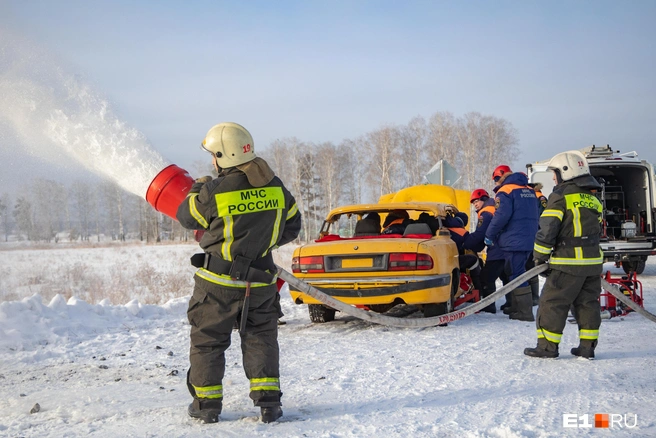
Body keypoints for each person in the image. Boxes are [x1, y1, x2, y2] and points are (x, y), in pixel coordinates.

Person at [176, 122, 302, 423]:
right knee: (261, 339)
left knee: (208, 340)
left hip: (217, 284)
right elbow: (293, 226)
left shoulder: (215, 190)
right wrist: (260, 243)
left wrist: (196, 189)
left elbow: (185, 216)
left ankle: (206, 407)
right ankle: (269, 404)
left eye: (214, 155)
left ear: (224, 154)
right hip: (260, 283)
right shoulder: (276, 186)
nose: (212, 161)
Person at [524, 150, 603, 359]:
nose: (553, 177)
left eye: (555, 173)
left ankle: (547, 348)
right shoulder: (592, 198)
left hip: (567, 263)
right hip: (593, 263)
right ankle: (587, 347)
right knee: (588, 303)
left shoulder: (560, 196)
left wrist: (540, 256)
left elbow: (548, 228)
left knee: (552, 302)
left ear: (566, 172)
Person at [485, 165, 539, 321]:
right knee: (518, 272)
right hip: (528, 239)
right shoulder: (528, 190)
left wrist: (489, 234)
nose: (496, 183)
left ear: (501, 176)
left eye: (496, 179)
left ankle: (524, 312)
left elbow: (501, 216)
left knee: (516, 274)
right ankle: (516, 307)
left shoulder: (506, 191)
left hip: (514, 240)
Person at [463, 188, 500, 314]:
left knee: (486, 277)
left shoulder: (486, 212)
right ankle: (512, 304)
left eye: (477, 201)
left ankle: (489, 306)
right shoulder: (493, 208)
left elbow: (480, 234)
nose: (475, 204)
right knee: (507, 276)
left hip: (497, 247)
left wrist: (466, 242)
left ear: (484, 199)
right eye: (473, 203)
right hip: (503, 246)